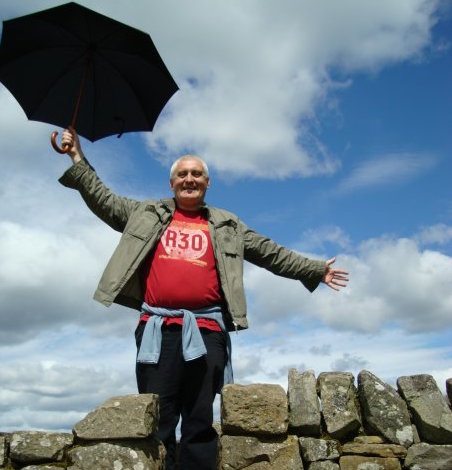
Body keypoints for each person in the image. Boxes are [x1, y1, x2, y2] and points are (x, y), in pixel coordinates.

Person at [59, 127, 349, 470]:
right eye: (182, 174)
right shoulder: (145, 213)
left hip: (207, 331)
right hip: (158, 330)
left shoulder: (228, 225)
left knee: (198, 420)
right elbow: (102, 197)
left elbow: (271, 252)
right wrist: (77, 156)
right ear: (172, 183)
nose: (189, 179)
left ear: (208, 183)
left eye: (197, 174)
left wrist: (314, 269)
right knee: (158, 417)